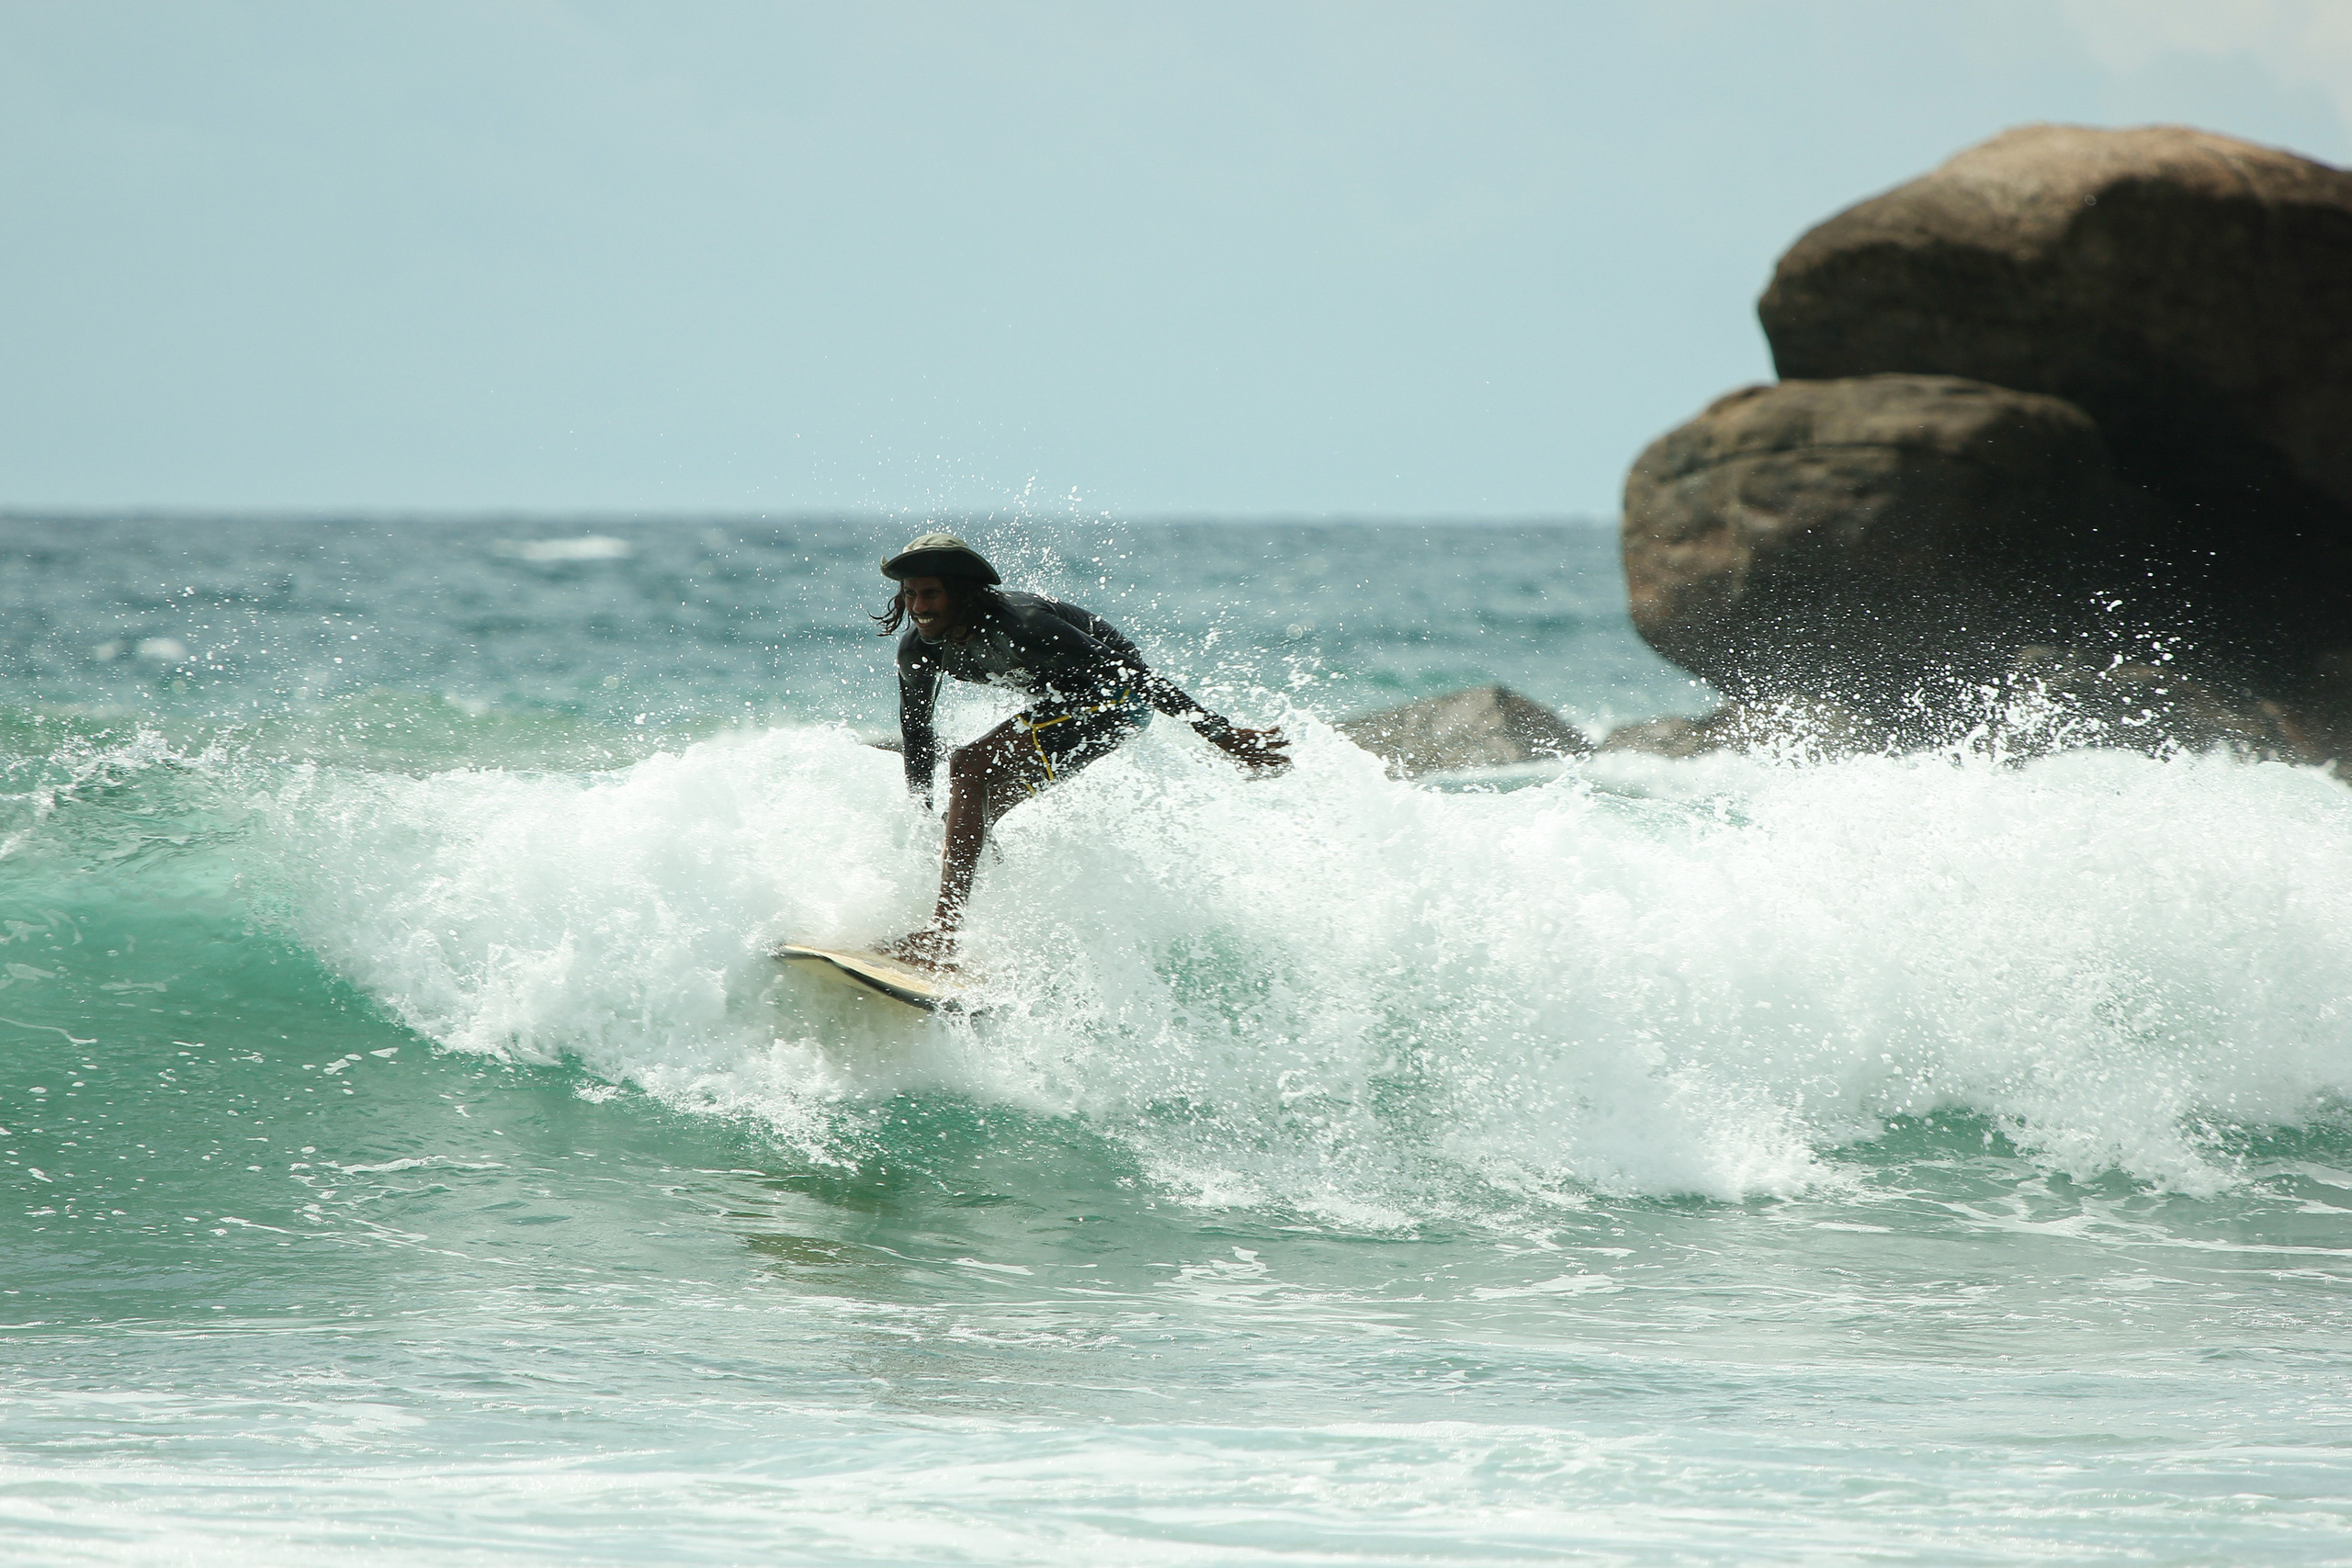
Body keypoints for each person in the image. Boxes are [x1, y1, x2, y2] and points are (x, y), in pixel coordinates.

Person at [875, 532, 1289, 967]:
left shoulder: (1025, 624)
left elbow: (1134, 679)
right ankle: (997, 933)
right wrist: (919, 806)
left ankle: (943, 935)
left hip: (1118, 701)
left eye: (931, 594)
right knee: (967, 813)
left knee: (969, 764)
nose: (919, 608)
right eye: (910, 594)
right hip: (1068, 710)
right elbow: (917, 731)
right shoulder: (919, 652)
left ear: (960, 592)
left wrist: (1224, 736)